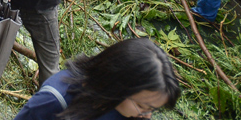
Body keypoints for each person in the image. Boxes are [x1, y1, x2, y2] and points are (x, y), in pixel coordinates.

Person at [12, 38, 180, 120]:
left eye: (153, 110)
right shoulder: (54, 100)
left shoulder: (128, 111)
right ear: (116, 87)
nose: (147, 116)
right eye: (143, 107)